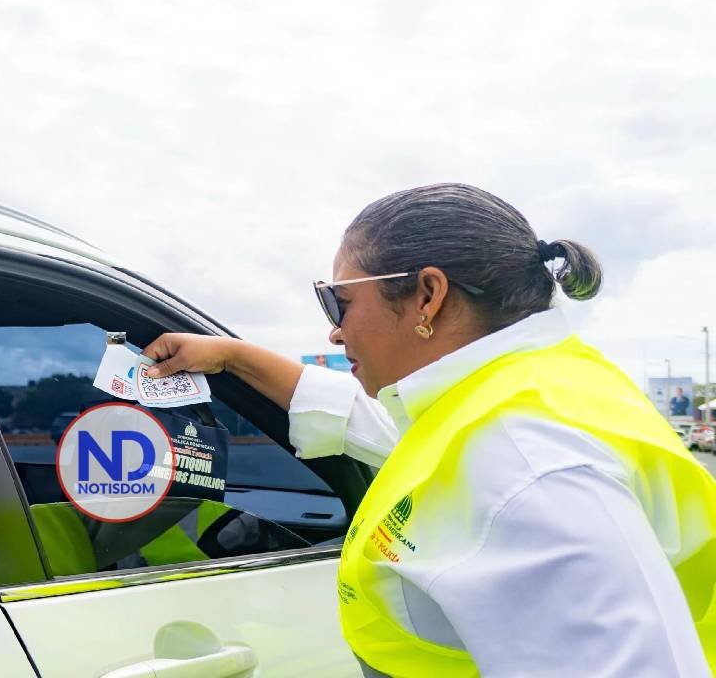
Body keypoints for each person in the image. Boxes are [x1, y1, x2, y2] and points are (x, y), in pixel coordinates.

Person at [142, 183, 716, 677]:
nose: (336, 336)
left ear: (427, 295)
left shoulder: (529, 467)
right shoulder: (513, 396)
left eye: (337, 303)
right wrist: (236, 359)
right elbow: (371, 424)